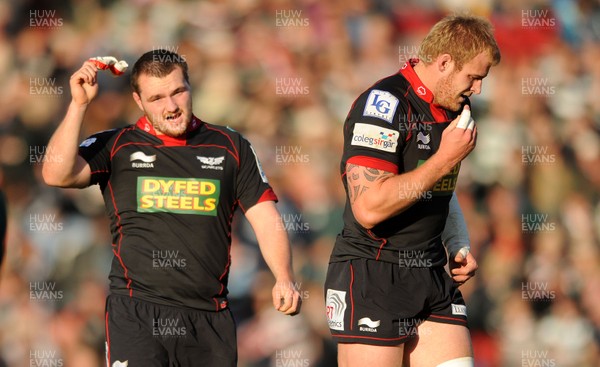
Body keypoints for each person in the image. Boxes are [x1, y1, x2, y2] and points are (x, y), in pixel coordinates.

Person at [42, 49, 301, 367]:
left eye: (178, 91)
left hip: (208, 317)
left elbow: (265, 217)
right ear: (138, 101)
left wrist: (284, 277)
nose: (172, 107)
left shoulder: (231, 147)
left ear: (190, 88)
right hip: (137, 311)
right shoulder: (118, 146)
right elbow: (55, 173)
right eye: (157, 98)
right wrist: (79, 104)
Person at [324, 14, 501, 367]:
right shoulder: (384, 105)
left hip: (431, 271)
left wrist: (457, 242)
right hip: (374, 273)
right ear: (446, 62)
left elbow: (439, 188)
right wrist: (443, 158)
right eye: (474, 77)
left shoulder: (454, 108)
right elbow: (369, 208)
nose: (478, 89)